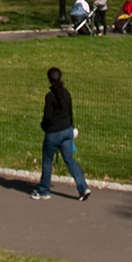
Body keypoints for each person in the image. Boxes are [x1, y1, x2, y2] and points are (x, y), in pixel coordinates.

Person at [31, 66, 90, 201]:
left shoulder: (50, 96)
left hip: (54, 133)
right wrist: (71, 128)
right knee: (70, 160)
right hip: (67, 130)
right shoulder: (67, 94)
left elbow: (47, 116)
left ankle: (44, 190)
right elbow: (70, 113)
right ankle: (83, 187)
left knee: (47, 161)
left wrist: (44, 126)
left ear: (49, 80)